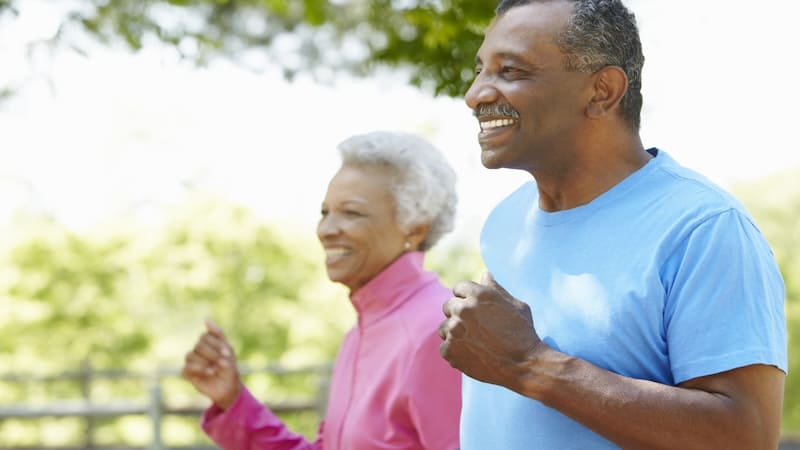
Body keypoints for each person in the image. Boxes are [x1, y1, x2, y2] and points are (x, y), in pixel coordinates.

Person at [437, 1, 788, 449]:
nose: (475, 94)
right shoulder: (506, 221)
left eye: (510, 71)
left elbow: (746, 437)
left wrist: (531, 365)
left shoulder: (704, 229)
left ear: (602, 90)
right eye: (481, 69)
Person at [183, 131, 462, 449]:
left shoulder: (437, 331)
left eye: (351, 213)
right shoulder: (361, 333)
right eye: (325, 212)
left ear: (415, 227)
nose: (326, 230)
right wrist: (233, 401)